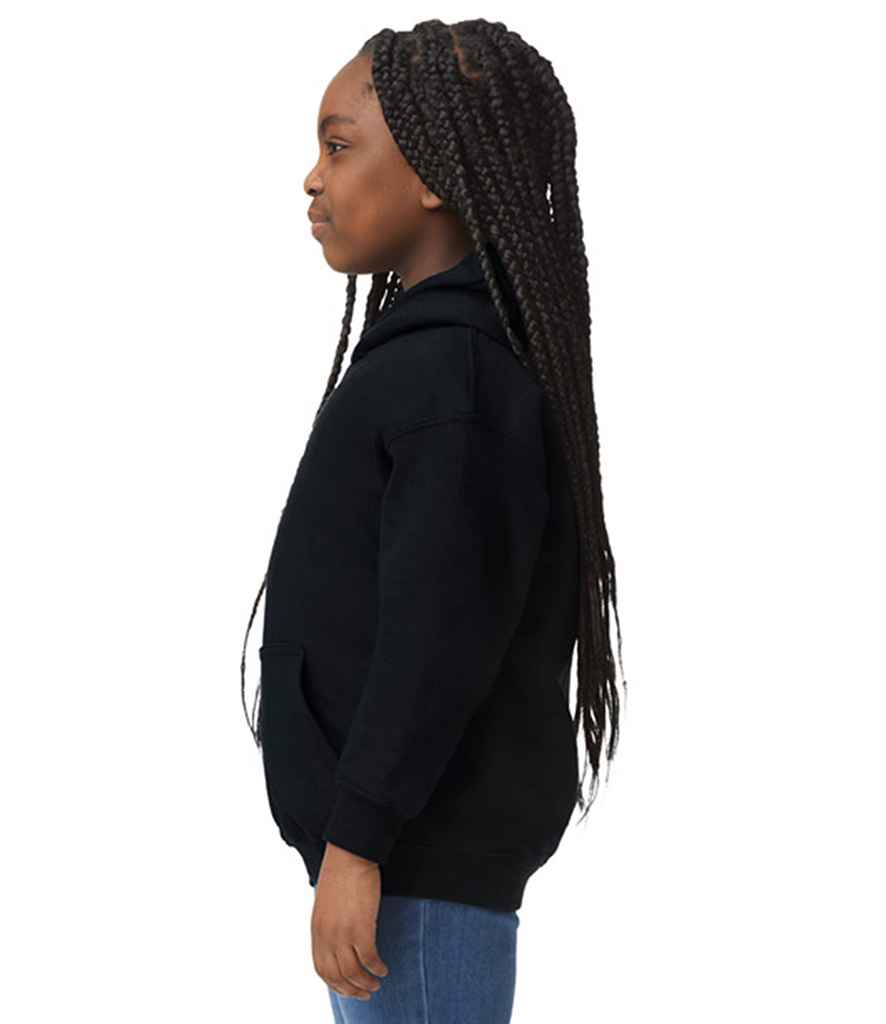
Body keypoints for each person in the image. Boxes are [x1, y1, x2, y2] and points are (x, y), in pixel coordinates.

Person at [240, 19, 627, 1023]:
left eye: (338, 146)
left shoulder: (455, 379)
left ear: (431, 172)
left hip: (412, 870)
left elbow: (437, 635)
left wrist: (359, 840)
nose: (312, 179)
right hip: (396, 866)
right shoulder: (428, 364)